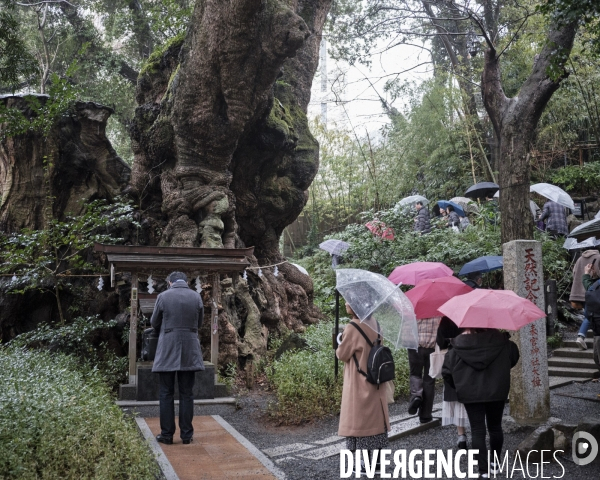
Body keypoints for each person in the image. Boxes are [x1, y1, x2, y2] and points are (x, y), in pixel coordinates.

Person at [442, 328, 520, 478]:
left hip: (470, 393)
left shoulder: (458, 345)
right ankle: (495, 464)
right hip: (497, 390)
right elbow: (514, 357)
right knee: (495, 427)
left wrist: (459, 385)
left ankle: (483, 471)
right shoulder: (504, 343)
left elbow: (446, 372)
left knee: (477, 430)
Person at [151, 271, 205, 445]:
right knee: (187, 393)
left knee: (166, 393)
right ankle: (187, 435)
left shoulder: (163, 296)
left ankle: (167, 435)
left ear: (169, 282)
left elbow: (154, 322)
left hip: (168, 347)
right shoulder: (196, 297)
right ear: (186, 282)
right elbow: (199, 323)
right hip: (190, 347)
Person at [336, 303, 390, 474]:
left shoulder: (352, 327)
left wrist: (339, 340)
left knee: (361, 423)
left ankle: (366, 464)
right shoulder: (376, 323)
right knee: (375, 423)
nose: (346, 304)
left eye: (349, 301)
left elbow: (342, 355)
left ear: (356, 306)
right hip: (376, 382)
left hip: (359, 382)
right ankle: (377, 464)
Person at [436, 317, 468, 450]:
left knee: (455, 398)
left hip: (451, 363)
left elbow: (440, 343)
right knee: (471, 399)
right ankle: (478, 432)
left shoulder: (446, 319)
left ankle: (461, 436)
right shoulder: (468, 318)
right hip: (468, 361)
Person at [407, 316, 442, 423]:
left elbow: (407, 326)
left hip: (415, 346)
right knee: (429, 380)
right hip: (432, 348)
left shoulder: (415, 307)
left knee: (415, 374)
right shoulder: (438, 311)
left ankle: (417, 395)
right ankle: (425, 415)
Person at [569, 249, 600, 350]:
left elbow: (574, 272)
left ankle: (581, 336)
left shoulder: (579, 259)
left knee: (588, 314)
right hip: (594, 291)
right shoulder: (598, 257)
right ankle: (581, 336)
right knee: (590, 315)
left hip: (581, 291)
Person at [581, 263, 600, 373]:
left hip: (598, 328)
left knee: (597, 358)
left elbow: (589, 288)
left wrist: (587, 274)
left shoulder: (595, 286)